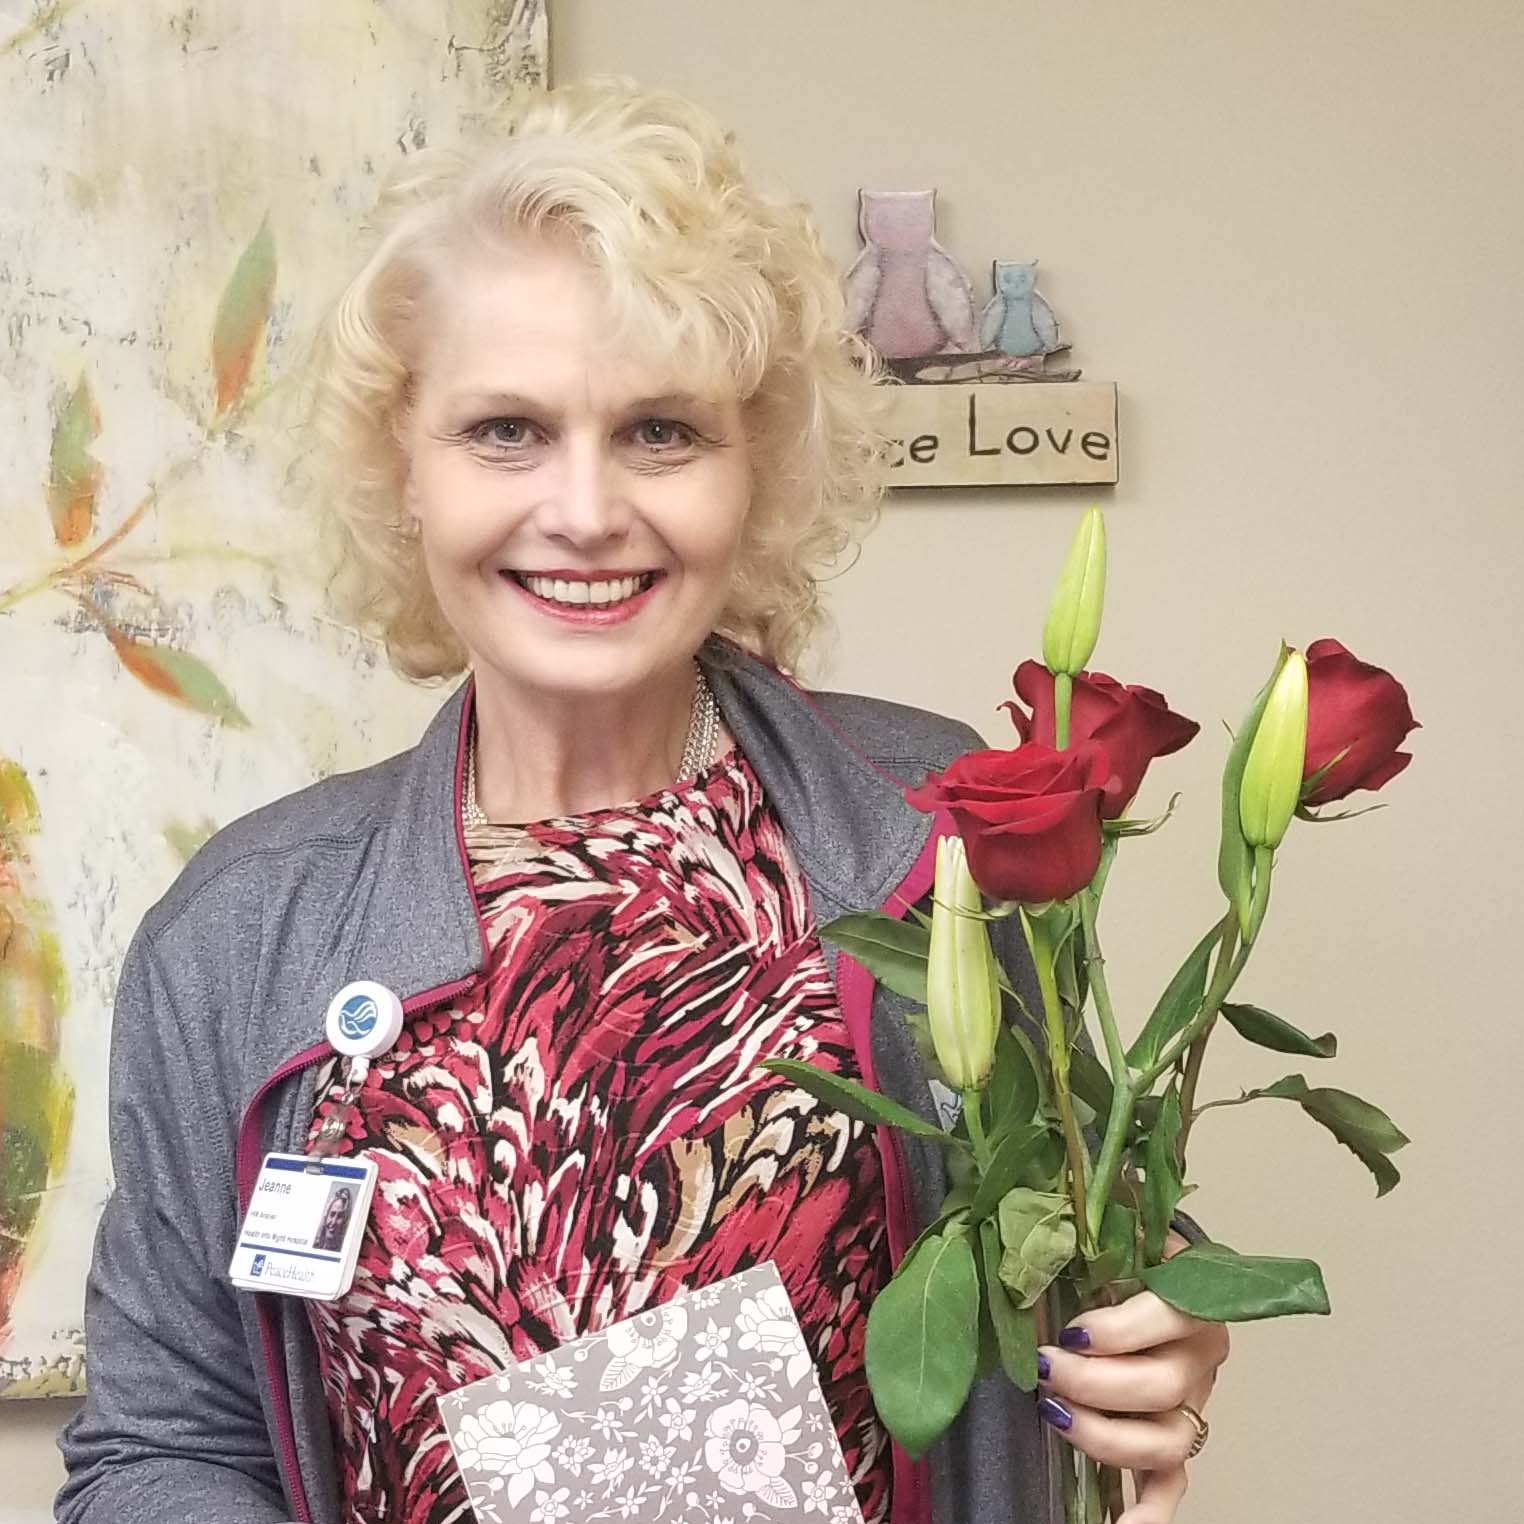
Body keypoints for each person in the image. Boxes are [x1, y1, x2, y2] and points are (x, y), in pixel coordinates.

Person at [56, 79, 1228, 1524]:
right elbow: (160, 1450)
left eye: (662, 432)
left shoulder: (943, 835)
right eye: (506, 432)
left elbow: (1077, 1231)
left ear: (756, 467)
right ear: (401, 467)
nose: (589, 509)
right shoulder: (243, 934)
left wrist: (1155, 1331)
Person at [312, 1189, 353, 1254]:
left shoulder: (346, 1252)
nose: (333, 1222)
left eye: (340, 1216)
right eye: (332, 1214)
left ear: (344, 1222)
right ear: (326, 1217)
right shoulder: (314, 1245)